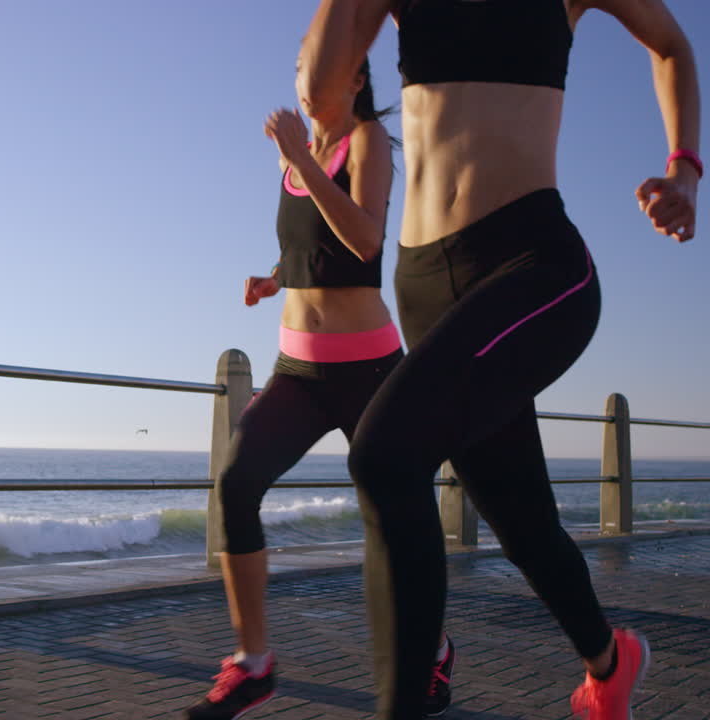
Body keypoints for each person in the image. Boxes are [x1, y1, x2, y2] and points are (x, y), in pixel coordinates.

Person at [296, 1, 701, 718]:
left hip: (532, 263)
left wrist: (685, 168)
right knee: (521, 520)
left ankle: (411, 692)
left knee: (384, 456)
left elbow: (668, 43)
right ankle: (609, 665)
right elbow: (325, 97)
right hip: (424, 284)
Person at [186, 57, 456, 720]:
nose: (305, 77)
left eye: (320, 65)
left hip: (366, 370)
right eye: (302, 64)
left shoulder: (365, 145)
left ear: (355, 80)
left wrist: (300, 158)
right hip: (297, 371)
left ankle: (433, 650)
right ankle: (253, 664)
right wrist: (275, 278)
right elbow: (313, 243)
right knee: (236, 481)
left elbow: (363, 240)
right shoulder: (298, 160)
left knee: (399, 516)